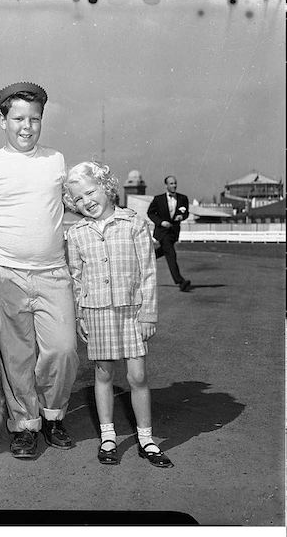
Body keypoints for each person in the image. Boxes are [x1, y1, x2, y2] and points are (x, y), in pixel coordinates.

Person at [0, 81, 79, 459]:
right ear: (3, 120)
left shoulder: (56, 161)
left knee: (62, 349)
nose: (27, 126)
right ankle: (25, 425)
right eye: (18, 118)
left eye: (35, 119)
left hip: (54, 273)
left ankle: (53, 415)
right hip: (4, 274)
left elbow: (77, 205)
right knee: (17, 356)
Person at [64, 161, 173, 468]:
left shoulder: (134, 222)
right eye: (78, 198)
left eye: (90, 191)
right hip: (96, 312)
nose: (86, 201)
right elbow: (76, 278)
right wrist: (79, 316)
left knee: (137, 375)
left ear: (107, 188)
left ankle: (146, 438)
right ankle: (108, 436)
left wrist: (148, 314)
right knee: (103, 374)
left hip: (131, 311)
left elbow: (148, 272)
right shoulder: (76, 233)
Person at [147, 175, 191, 291]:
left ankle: (145, 259)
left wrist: (182, 216)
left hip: (173, 232)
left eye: (175, 183)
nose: (174, 185)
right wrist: (161, 222)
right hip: (162, 232)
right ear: (166, 185)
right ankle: (180, 281)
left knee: (164, 251)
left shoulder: (183, 198)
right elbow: (150, 213)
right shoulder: (158, 199)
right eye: (171, 183)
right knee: (171, 254)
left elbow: (186, 212)